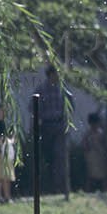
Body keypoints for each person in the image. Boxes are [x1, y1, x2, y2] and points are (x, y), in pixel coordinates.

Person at [35, 65, 71, 195]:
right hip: (46, 125)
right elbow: (34, 107)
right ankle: (50, 186)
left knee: (60, 155)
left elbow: (70, 105)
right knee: (48, 156)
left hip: (60, 124)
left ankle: (60, 186)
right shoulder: (41, 89)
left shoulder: (63, 89)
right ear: (50, 75)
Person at [82, 112, 107, 192]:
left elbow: (106, 144)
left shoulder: (102, 133)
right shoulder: (88, 134)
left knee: (104, 175)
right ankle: (89, 190)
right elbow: (84, 145)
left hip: (101, 156)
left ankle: (105, 190)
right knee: (90, 175)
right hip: (91, 156)